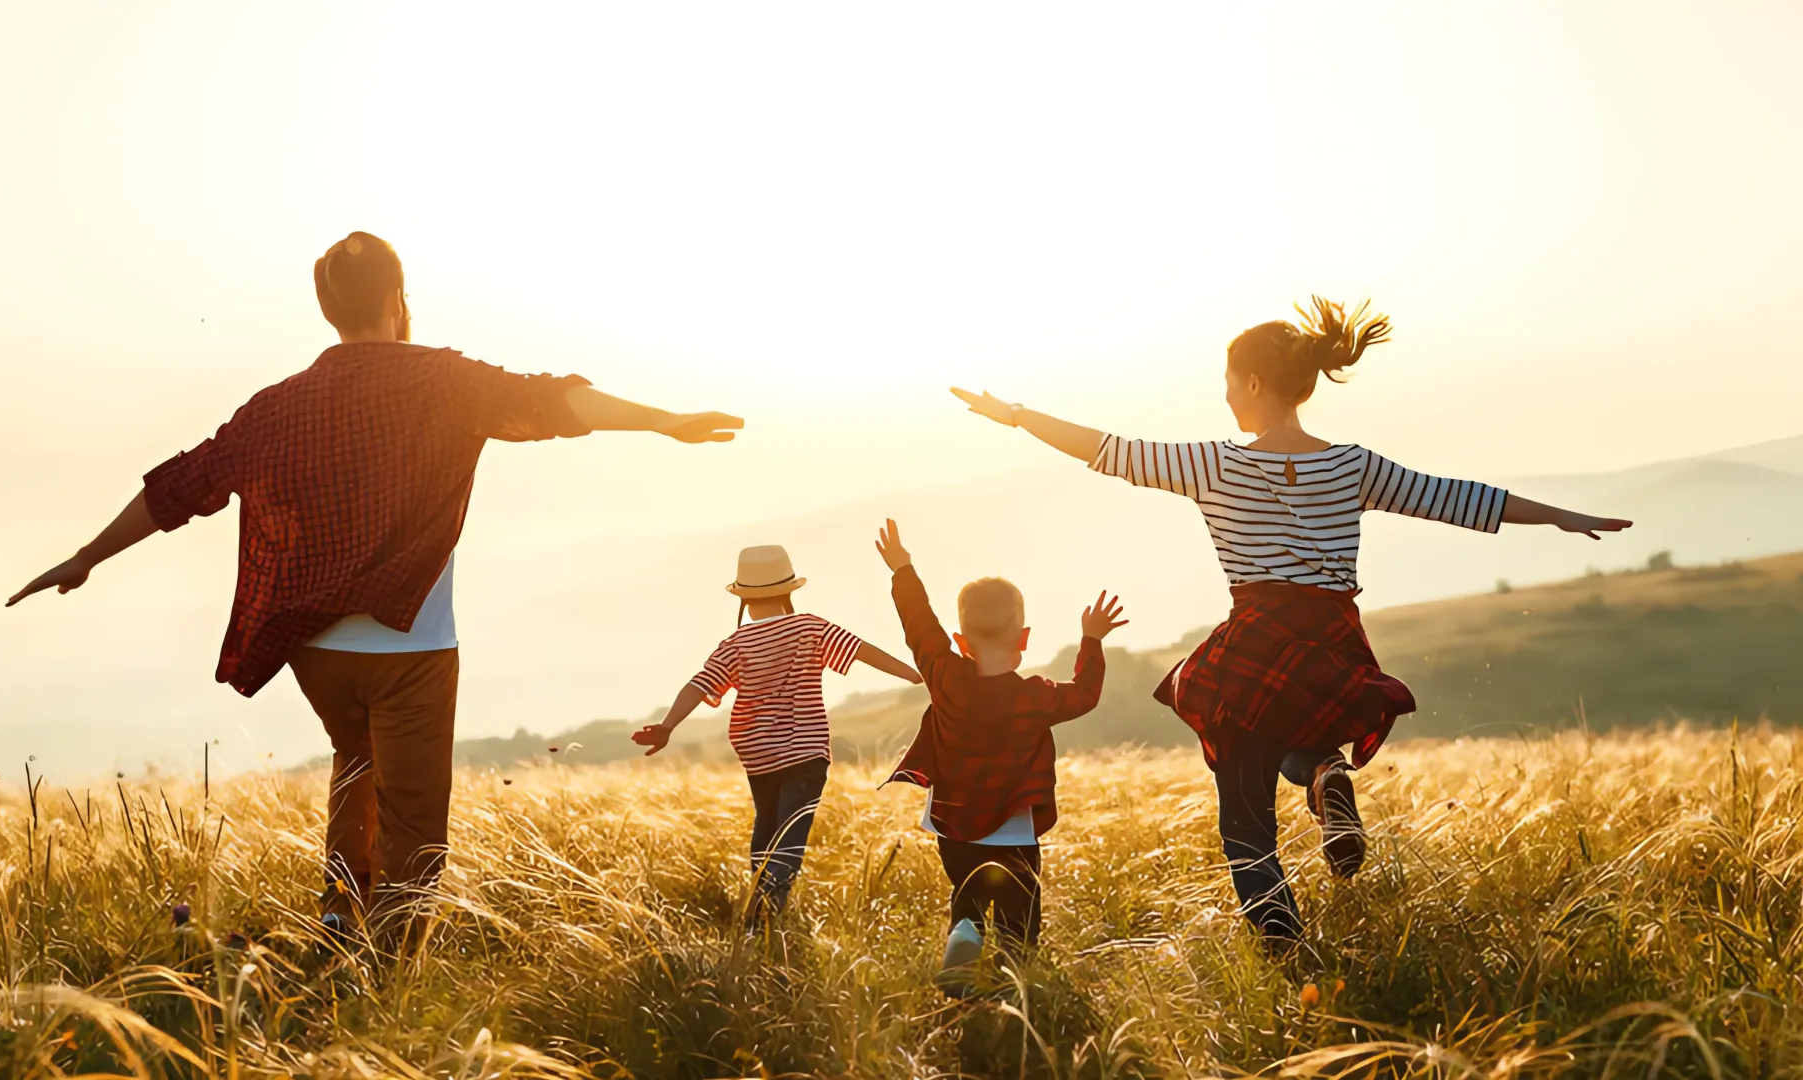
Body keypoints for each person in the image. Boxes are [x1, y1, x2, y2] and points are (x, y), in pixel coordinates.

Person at [7, 231, 743, 945]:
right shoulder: (446, 381)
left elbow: (183, 486)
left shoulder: (276, 406)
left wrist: (86, 555)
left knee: (354, 761)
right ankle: (387, 969)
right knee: (415, 820)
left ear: (329, 309)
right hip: (411, 645)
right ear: (397, 297)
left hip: (314, 650)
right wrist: (663, 422)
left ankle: (338, 915)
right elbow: (552, 402)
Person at [949, 296, 1632, 947]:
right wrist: (1562, 516)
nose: (1223, 395)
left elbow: (1106, 449)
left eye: (1226, 381)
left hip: (1255, 641)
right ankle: (1323, 776)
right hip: (1332, 641)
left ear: (1251, 381)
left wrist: (1015, 416)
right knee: (1300, 736)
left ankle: (1286, 951)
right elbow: (1455, 499)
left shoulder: (1213, 464)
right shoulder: (1352, 465)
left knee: (1246, 828)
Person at [872, 519, 1122, 991]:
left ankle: (964, 936)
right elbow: (1085, 694)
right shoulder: (1035, 697)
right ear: (1024, 639)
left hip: (953, 823)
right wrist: (1091, 639)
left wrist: (903, 569)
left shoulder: (945, 676)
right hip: (1013, 827)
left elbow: (919, 627)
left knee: (966, 897)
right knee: (1019, 908)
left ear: (960, 641)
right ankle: (1014, 974)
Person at [633, 544, 921, 928]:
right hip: (806, 752)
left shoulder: (735, 645)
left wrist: (668, 726)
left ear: (745, 600)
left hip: (759, 756)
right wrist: (915, 673)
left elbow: (698, 685)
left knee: (766, 829)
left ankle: (758, 911)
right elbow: (862, 651)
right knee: (791, 835)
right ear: (788, 591)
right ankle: (768, 912)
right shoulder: (810, 627)